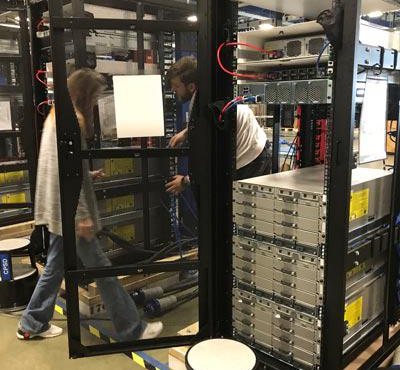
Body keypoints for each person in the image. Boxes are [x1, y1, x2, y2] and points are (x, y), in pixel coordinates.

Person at [17, 69, 163, 341]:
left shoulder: (57, 115)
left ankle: (31, 322)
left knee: (54, 268)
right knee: (103, 271)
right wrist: (82, 216)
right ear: (85, 95)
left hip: (60, 210)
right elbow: (67, 175)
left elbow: (66, 168)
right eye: (95, 96)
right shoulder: (73, 120)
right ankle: (133, 328)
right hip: (71, 213)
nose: (96, 102)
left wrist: (87, 174)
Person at [165, 56, 271, 195]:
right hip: (253, 143)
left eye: (176, 86)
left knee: (239, 204)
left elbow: (211, 160)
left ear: (191, 86)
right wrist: (186, 132)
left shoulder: (202, 107)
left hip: (250, 157)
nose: (173, 89)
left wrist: (185, 181)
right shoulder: (207, 92)